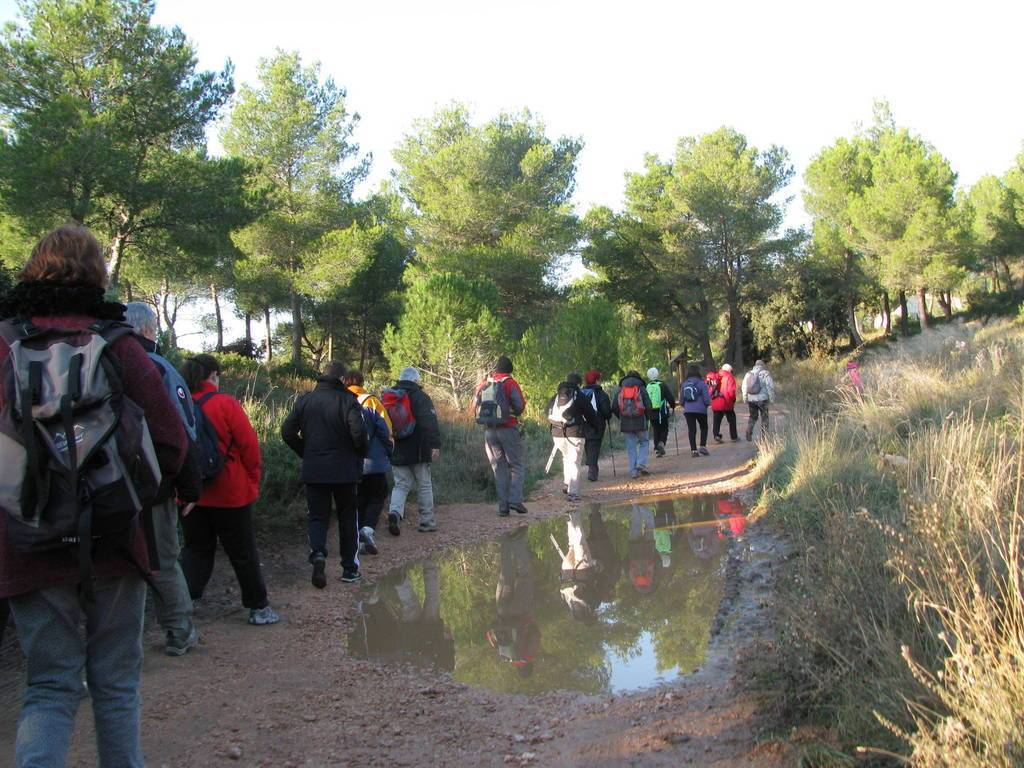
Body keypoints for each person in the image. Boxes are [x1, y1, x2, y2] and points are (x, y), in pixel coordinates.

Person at [0, 225, 187, 768]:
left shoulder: (5, 342)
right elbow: (171, 442)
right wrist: (150, 494)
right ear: (98, 274)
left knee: (51, 686)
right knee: (115, 684)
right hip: (113, 537)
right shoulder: (118, 344)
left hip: (26, 540)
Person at [125, 301, 204, 657]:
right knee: (161, 559)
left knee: (107, 568)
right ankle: (179, 630)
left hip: (92, 488)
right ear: (147, 330)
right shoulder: (156, 367)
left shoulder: (91, 359)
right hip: (150, 485)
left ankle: (111, 649)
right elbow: (181, 433)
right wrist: (189, 486)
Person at [179, 354, 279, 625]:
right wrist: (252, 479)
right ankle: (258, 608)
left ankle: (183, 606)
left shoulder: (179, 403)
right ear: (213, 375)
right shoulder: (225, 404)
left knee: (196, 549)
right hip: (230, 492)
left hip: (191, 494)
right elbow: (249, 446)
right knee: (243, 552)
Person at [283, 361, 369, 586]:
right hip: (345, 472)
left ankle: (318, 554)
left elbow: (287, 431)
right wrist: (358, 454)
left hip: (315, 470)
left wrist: (306, 452)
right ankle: (349, 569)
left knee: (318, 516)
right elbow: (359, 435)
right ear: (342, 379)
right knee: (348, 518)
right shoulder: (348, 401)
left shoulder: (305, 400)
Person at [386, 367, 442, 534]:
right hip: (418, 449)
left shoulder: (390, 396)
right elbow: (429, 423)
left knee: (400, 484)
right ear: (416, 381)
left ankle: (395, 513)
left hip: (397, 448)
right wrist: (435, 445)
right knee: (424, 485)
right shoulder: (420, 397)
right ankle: (427, 522)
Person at [344, 369, 393, 557]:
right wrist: (389, 449)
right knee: (378, 494)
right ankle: (367, 530)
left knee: (359, 500)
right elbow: (385, 428)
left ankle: (358, 539)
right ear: (361, 382)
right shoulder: (370, 400)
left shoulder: (342, 400)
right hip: (374, 461)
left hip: (350, 462)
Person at [474, 355, 527, 516]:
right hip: (508, 427)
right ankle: (515, 500)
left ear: (496, 369)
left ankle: (503, 507)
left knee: (499, 467)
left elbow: (474, 406)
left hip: (489, 430)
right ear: (510, 370)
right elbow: (519, 406)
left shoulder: (484, 384)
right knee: (516, 465)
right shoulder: (510, 383)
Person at [546, 372, 600, 503]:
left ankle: (567, 483)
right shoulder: (579, 396)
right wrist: (595, 427)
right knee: (574, 461)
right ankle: (573, 493)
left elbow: (546, 411)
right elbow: (591, 414)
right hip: (575, 433)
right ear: (579, 384)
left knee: (566, 458)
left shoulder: (557, 395)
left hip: (557, 433)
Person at [611, 370, 654, 479]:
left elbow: (614, 406)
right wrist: (647, 418)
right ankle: (641, 463)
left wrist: (621, 417)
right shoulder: (641, 387)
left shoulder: (621, 388)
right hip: (640, 420)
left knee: (631, 447)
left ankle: (633, 471)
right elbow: (648, 404)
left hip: (625, 422)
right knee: (644, 442)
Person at [580, 370, 612, 481]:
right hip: (597, 424)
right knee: (594, 446)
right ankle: (592, 471)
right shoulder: (601, 394)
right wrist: (608, 416)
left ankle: (592, 467)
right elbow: (607, 412)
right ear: (597, 380)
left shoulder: (580, 393)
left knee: (588, 445)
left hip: (582, 424)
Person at [680, 364, 712, 457]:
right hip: (701, 410)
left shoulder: (684, 384)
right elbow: (706, 399)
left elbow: (681, 400)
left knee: (692, 430)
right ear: (698, 372)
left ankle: (693, 450)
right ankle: (702, 446)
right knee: (704, 427)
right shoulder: (702, 383)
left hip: (688, 411)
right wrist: (707, 405)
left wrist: (685, 406)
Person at [645, 367, 677, 458]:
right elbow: (670, 398)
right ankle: (661, 443)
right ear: (657, 374)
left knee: (656, 429)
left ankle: (657, 448)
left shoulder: (647, 386)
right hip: (662, 411)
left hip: (651, 412)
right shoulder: (662, 385)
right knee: (664, 428)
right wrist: (673, 406)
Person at [742, 359, 776, 441]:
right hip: (763, 399)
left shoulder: (748, 374)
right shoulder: (765, 374)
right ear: (762, 365)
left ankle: (749, 431)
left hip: (751, 400)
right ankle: (764, 438)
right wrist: (772, 399)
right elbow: (770, 387)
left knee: (753, 416)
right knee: (764, 418)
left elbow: (744, 386)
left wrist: (745, 398)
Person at [711, 363, 739, 443]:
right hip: (726, 402)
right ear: (729, 370)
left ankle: (716, 435)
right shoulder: (729, 377)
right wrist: (733, 400)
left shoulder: (716, 376)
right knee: (732, 419)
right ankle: (734, 437)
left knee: (716, 420)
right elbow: (731, 392)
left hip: (716, 401)